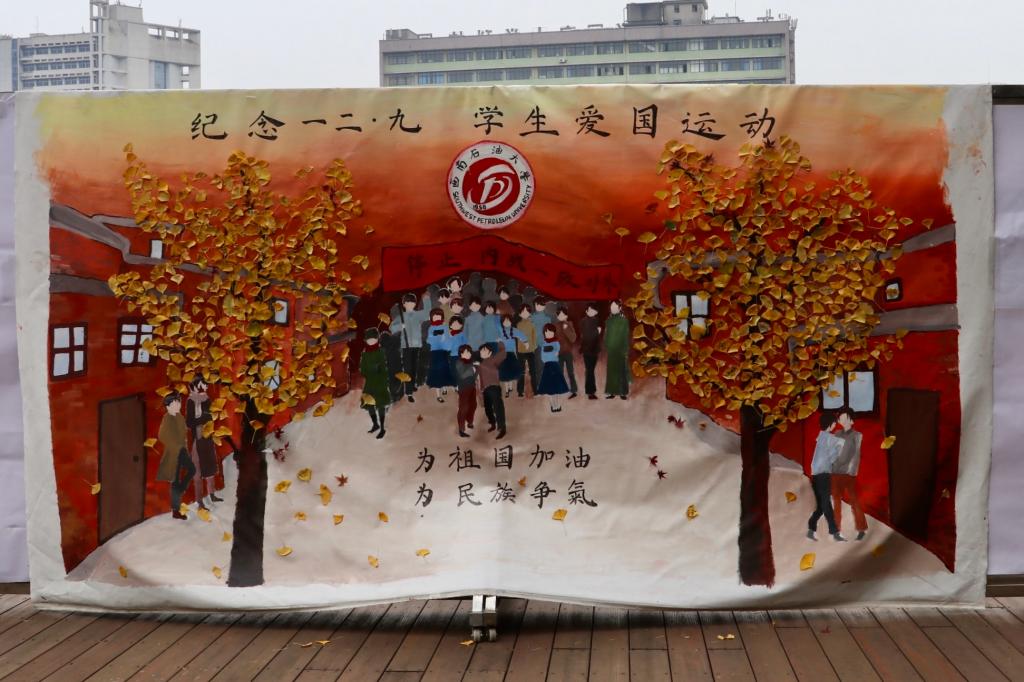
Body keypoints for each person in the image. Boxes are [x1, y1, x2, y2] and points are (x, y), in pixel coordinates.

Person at [807, 412, 846, 541]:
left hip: (815, 474)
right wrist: (840, 447)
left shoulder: (821, 436)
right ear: (830, 424)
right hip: (823, 474)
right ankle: (834, 533)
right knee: (825, 504)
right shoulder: (830, 438)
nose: (835, 425)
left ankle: (811, 529)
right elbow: (833, 458)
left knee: (820, 506)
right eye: (834, 423)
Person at [831, 407, 868, 540]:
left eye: (844, 417)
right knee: (836, 501)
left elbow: (856, 456)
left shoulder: (857, 436)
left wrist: (851, 472)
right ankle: (836, 531)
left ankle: (861, 528)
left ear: (852, 420)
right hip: (835, 472)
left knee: (854, 501)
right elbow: (833, 453)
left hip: (848, 474)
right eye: (840, 417)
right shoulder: (836, 434)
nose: (841, 419)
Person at [156, 392, 194, 520]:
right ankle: (176, 510)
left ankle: (180, 490)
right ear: (168, 406)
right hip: (173, 453)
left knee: (192, 469)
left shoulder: (180, 417)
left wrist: (184, 448)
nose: (179, 405)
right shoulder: (166, 419)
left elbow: (183, 435)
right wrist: (175, 446)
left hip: (182, 451)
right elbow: (162, 436)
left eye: (179, 402)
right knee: (175, 480)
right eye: (175, 402)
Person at [186, 375, 221, 511]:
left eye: (206, 384)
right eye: (203, 384)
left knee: (210, 465)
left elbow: (211, 416)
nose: (206, 386)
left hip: (207, 436)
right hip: (198, 437)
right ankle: (199, 501)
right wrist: (202, 419)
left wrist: (203, 419)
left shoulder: (207, 399)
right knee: (197, 469)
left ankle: (212, 494)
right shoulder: (190, 401)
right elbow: (189, 422)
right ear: (196, 385)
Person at [390, 291, 430, 402]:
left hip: (416, 345)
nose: (410, 304)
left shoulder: (417, 315)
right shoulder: (401, 316)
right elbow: (392, 328)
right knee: (408, 368)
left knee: (414, 366)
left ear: (415, 304)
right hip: (406, 346)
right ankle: (409, 392)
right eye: (407, 302)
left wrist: (426, 300)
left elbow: (427, 314)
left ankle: (412, 384)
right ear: (403, 304)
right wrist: (400, 326)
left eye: (412, 302)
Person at [359, 329, 391, 439]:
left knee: (380, 405)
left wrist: (383, 377)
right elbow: (362, 370)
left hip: (380, 382)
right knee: (370, 405)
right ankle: (375, 424)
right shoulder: (365, 354)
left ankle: (382, 428)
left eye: (373, 339)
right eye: (369, 340)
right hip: (370, 383)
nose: (371, 341)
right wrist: (369, 370)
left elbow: (384, 368)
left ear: (377, 340)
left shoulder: (380, 352)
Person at [536, 324, 570, 412]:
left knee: (557, 388)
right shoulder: (544, 343)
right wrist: (551, 354)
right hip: (548, 367)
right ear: (544, 333)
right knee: (550, 389)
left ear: (554, 333)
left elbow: (556, 353)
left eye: (550, 332)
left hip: (555, 366)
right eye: (546, 332)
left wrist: (551, 354)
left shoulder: (556, 343)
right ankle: (553, 406)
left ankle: (558, 405)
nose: (548, 334)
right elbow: (543, 357)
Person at [477, 343, 508, 438]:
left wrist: (500, 344)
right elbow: (479, 379)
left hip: (494, 387)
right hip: (485, 389)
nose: (482, 352)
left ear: (490, 353)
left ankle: (502, 428)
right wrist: (480, 391)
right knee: (488, 409)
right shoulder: (480, 364)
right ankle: (493, 423)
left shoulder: (493, 359)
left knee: (497, 407)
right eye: (481, 350)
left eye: (484, 350)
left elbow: (503, 354)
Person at [604, 300, 630, 400]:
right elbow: (607, 334)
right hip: (611, 349)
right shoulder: (609, 321)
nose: (613, 309)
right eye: (611, 307)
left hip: (620, 349)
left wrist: (625, 349)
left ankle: (623, 392)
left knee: (621, 371)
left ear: (620, 308)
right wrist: (607, 344)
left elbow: (625, 336)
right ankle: (612, 392)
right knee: (611, 371)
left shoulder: (624, 321)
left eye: (615, 307)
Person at [425, 308, 452, 402]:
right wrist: (434, 336)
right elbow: (428, 340)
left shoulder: (445, 326)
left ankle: (444, 387)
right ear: (431, 317)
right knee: (437, 372)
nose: (437, 318)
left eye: (438, 316)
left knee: (444, 370)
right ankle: (438, 395)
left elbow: (448, 338)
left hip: (443, 352)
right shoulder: (431, 328)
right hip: (435, 353)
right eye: (435, 316)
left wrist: (443, 338)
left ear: (442, 317)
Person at [498, 314, 527, 398]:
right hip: (503, 354)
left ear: (511, 321)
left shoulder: (514, 330)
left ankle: (510, 388)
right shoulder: (500, 331)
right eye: (504, 321)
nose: (506, 322)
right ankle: (507, 390)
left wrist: (525, 342)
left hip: (511, 354)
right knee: (505, 372)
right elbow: (496, 338)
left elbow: (521, 335)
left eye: (508, 321)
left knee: (511, 372)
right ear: (502, 322)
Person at [453, 344, 477, 437]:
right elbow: (463, 375)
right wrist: (473, 369)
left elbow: (474, 376)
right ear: (461, 353)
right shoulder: (459, 362)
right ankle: (461, 429)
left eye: (470, 352)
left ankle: (470, 421)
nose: (469, 354)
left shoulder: (471, 362)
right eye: (466, 352)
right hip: (463, 388)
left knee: (473, 405)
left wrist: (476, 369)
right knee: (463, 408)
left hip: (472, 386)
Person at [554, 306, 579, 399]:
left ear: (566, 316)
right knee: (559, 372)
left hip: (568, 352)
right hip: (559, 353)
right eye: (559, 315)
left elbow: (573, 339)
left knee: (570, 372)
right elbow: (554, 339)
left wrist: (566, 329)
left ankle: (574, 390)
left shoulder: (569, 324)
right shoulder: (555, 325)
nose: (561, 317)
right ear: (557, 316)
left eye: (563, 315)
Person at [580, 303, 602, 400]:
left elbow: (595, 337)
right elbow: (587, 335)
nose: (592, 312)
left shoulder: (596, 320)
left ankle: (590, 391)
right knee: (590, 370)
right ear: (586, 311)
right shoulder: (584, 321)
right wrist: (597, 331)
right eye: (590, 310)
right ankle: (590, 392)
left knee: (591, 370)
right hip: (587, 349)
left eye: (594, 310)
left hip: (594, 349)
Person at [515, 304, 538, 398]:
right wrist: (518, 348)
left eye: (527, 311)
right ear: (520, 314)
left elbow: (534, 337)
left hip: (531, 351)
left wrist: (533, 347)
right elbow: (517, 338)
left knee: (533, 371)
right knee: (521, 371)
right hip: (521, 350)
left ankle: (535, 391)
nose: (525, 313)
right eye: (523, 312)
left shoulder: (532, 324)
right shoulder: (518, 325)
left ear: (529, 313)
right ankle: (520, 391)